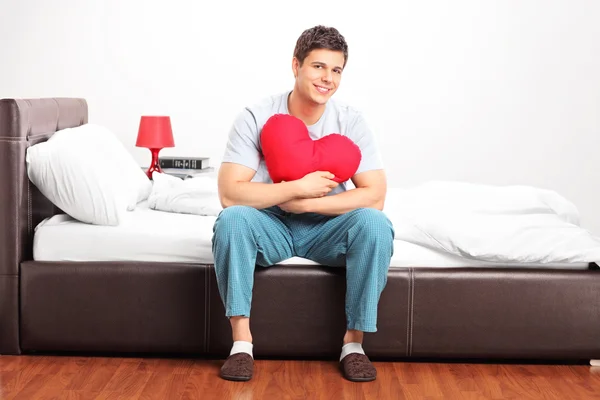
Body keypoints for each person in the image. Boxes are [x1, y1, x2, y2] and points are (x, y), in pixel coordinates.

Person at [211, 25, 395, 382]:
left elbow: (375, 195)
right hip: (270, 223)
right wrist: (295, 190)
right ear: (296, 66)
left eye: (336, 70)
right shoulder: (256, 116)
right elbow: (231, 193)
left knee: (375, 224)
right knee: (232, 219)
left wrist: (308, 204)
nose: (327, 78)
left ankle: (353, 345)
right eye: (318, 67)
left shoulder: (350, 121)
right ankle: (241, 344)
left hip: (326, 224)